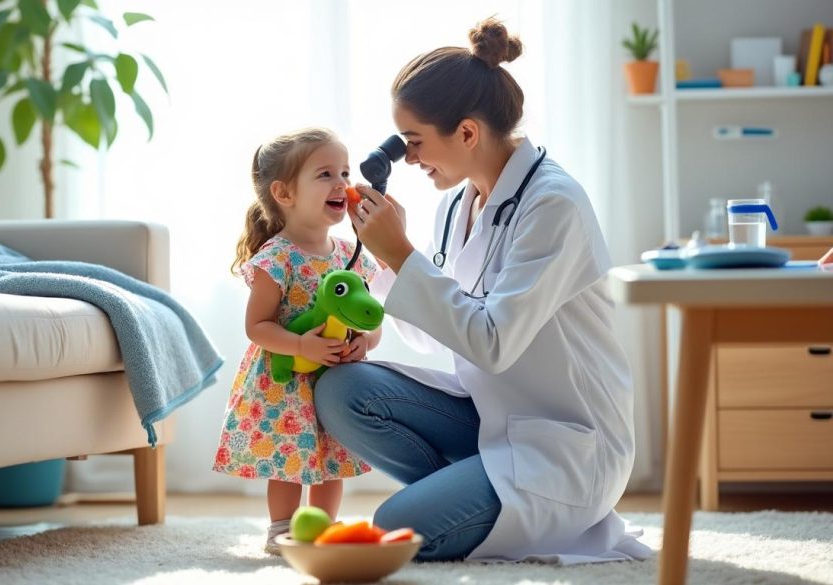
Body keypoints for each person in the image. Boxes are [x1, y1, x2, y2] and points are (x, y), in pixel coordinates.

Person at [314, 17, 651, 564]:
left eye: (416, 143)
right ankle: (473, 492)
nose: (411, 158)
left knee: (396, 525)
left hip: (565, 444)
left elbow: (493, 343)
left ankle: (478, 500)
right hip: (490, 415)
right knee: (342, 390)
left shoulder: (552, 204)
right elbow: (433, 338)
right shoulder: (457, 204)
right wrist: (385, 257)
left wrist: (401, 254)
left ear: (467, 133)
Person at [213, 127, 382, 555]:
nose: (342, 183)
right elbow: (258, 327)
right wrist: (301, 346)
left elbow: (370, 315)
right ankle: (281, 528)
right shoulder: (277, 256)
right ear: (284, 193)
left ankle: (322, 528)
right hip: (285, 382)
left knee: (331, 461)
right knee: (288, 462)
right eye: (325, 174)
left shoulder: (351, 253)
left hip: (335, 381)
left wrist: (366, 341)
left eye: (344, 172)